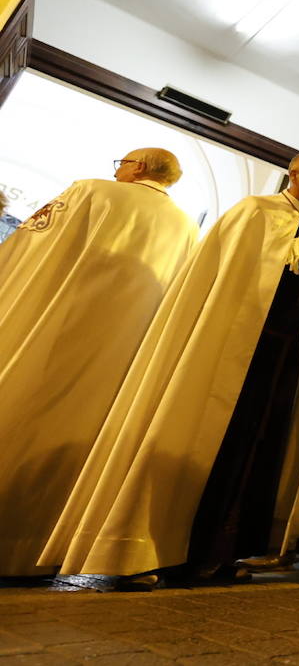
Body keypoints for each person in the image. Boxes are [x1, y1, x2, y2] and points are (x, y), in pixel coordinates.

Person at [39, 151, 299, 587]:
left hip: (284, 354)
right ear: (293, 175)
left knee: (260, 447)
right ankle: (177, 548)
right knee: (216, 440)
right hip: (234, 345)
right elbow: (225, 280)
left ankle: (227, 550)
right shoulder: (255, 211)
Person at [0, 148, 198, 577]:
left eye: (122, 163)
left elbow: (30, 251)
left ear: (138, 167)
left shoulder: (93, 191)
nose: (118, 170)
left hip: (60, 328)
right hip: (125, 355)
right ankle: (42, 547)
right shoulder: (186, 227)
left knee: (20, 415)